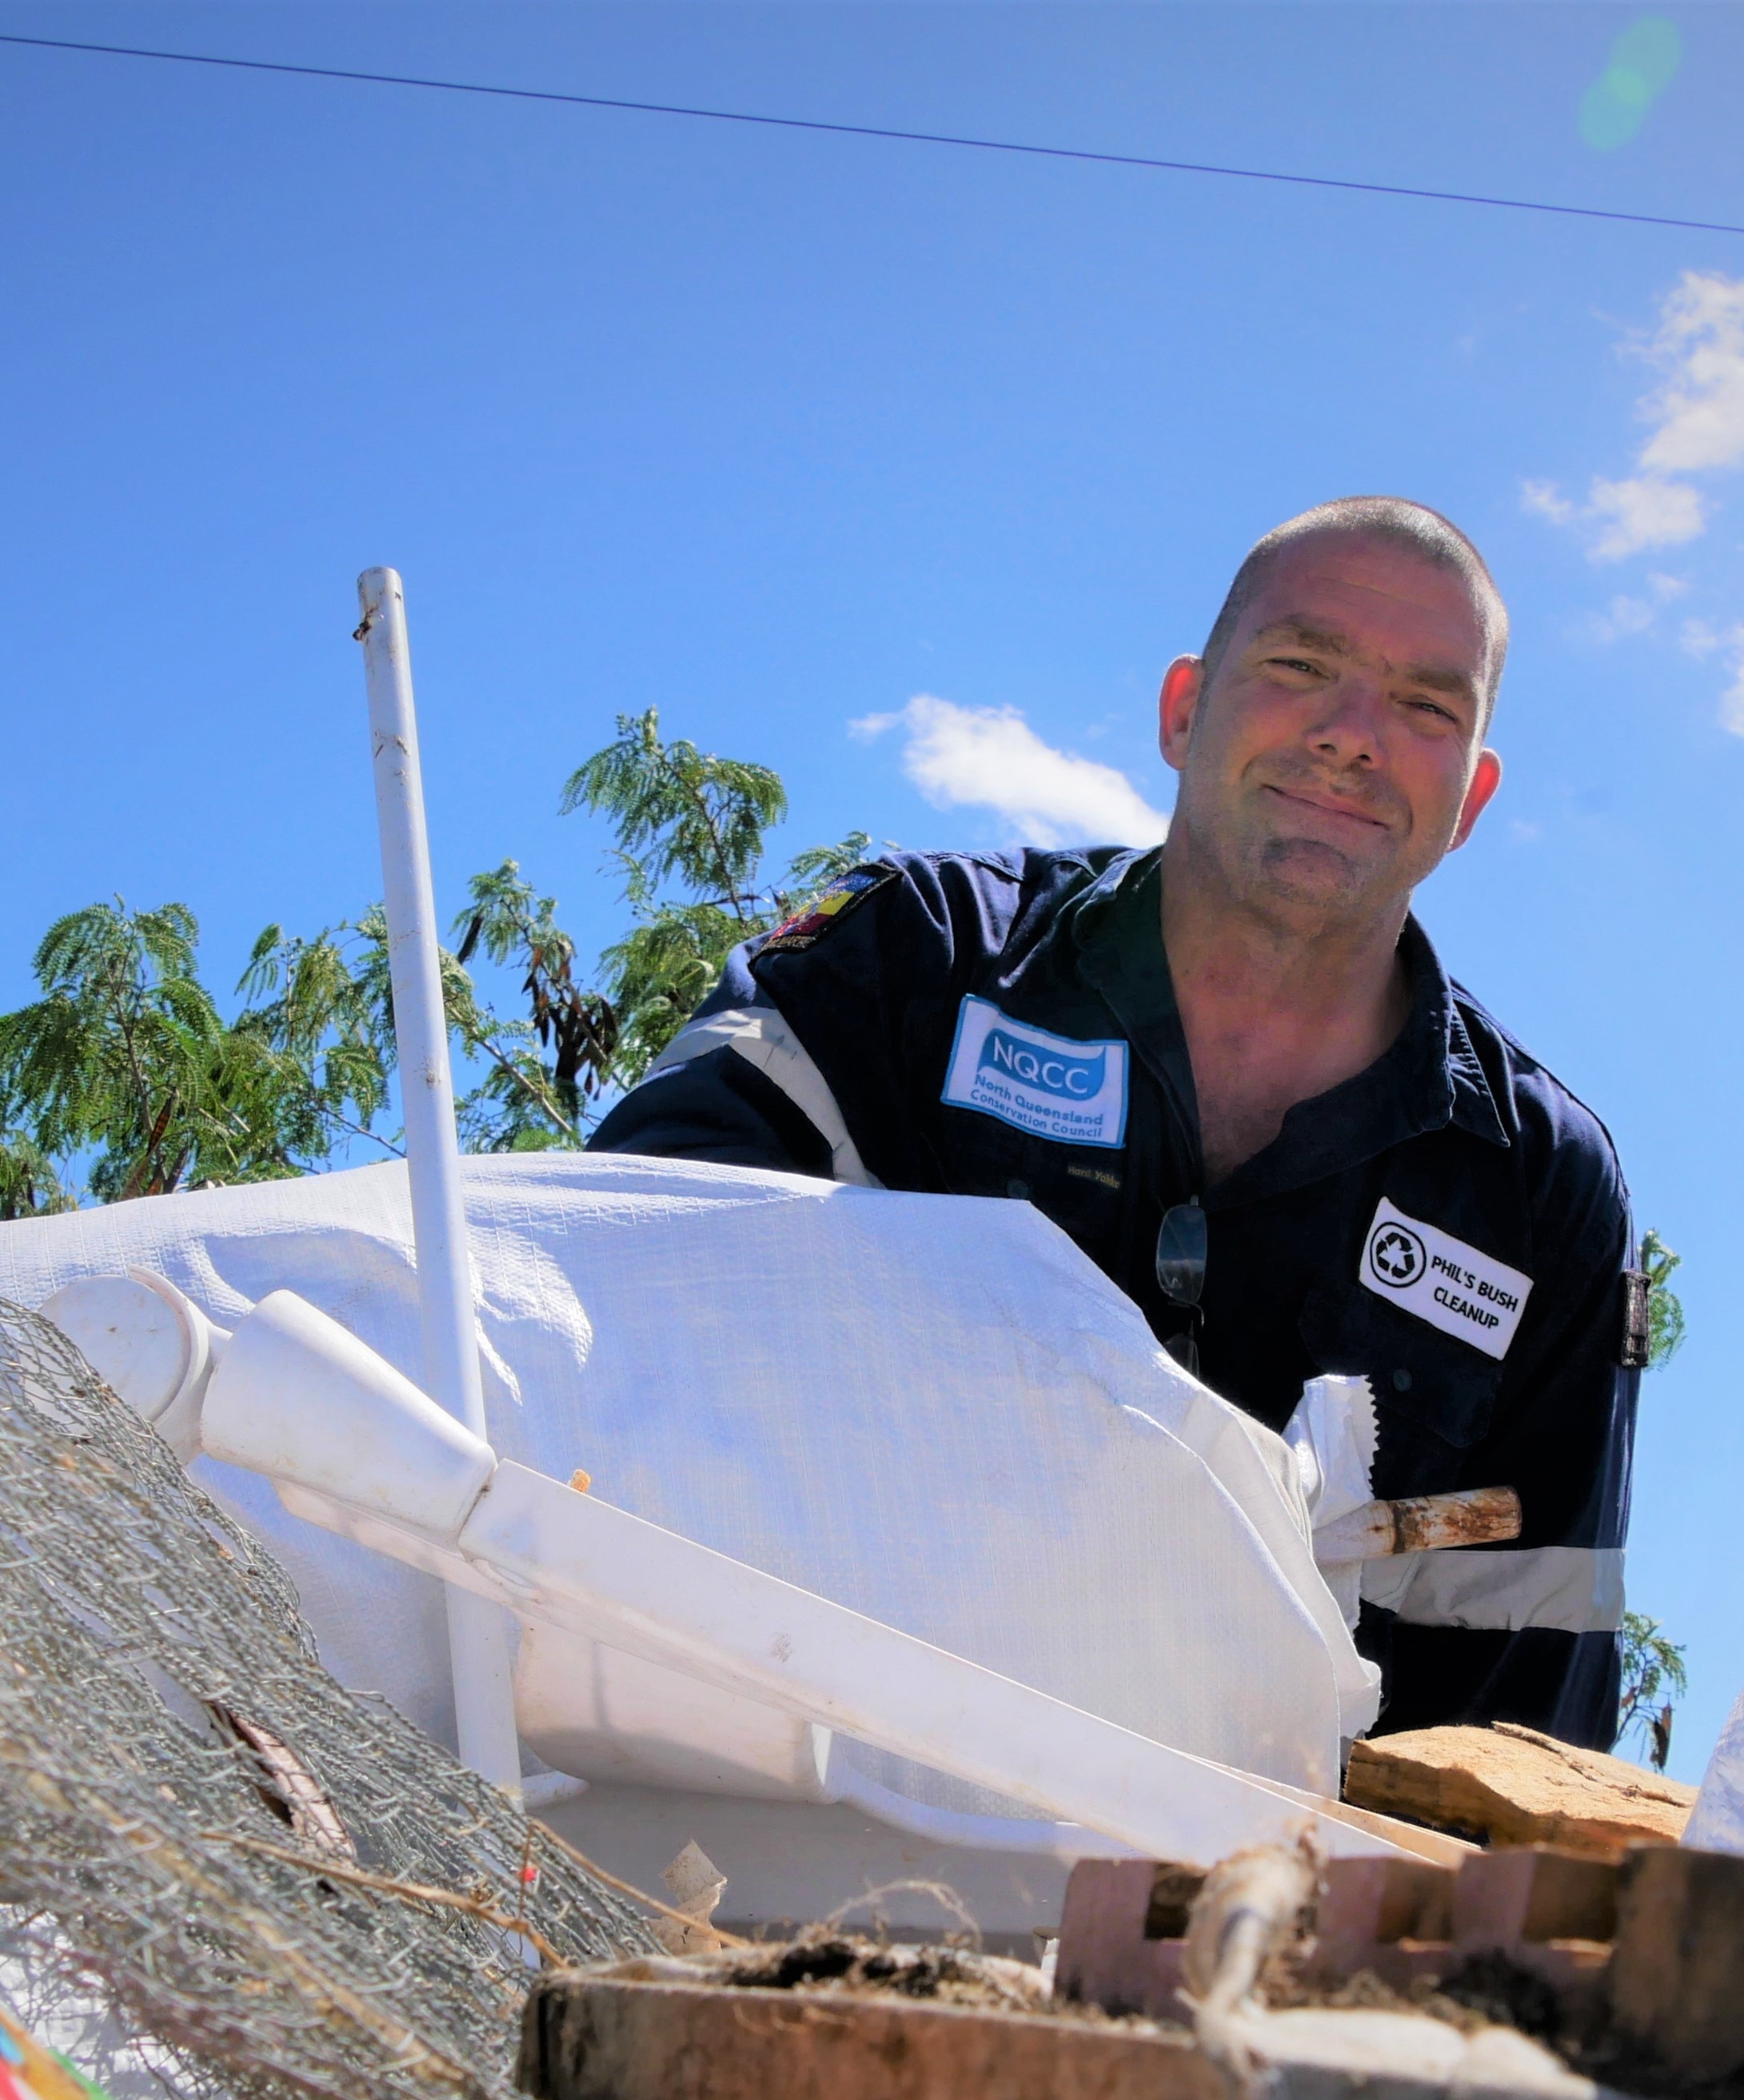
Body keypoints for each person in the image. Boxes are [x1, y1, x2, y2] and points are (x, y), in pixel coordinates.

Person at [591, 497, 1639, 1745]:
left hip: (1238, 1905)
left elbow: (1519, 1693)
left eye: (1427, 707)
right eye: (1301, 666)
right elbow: (617, 1299)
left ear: (1471, 795)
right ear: (1183, 710)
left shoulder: (1543, 1199)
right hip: (785, 1769)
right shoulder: (907, 963)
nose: (1354, 736)